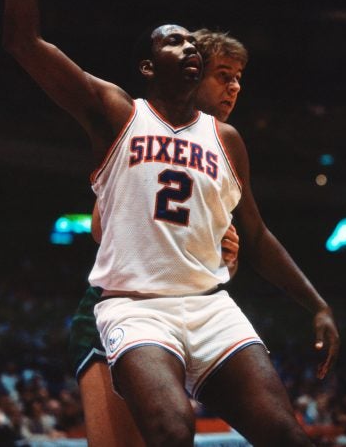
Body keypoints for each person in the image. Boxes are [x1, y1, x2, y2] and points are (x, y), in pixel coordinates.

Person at [0, 0, 339, 445]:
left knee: (286, 432)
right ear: (148, 66)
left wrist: (318, 304)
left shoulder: (225, 140)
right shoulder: (118, 112)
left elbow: (255, 235)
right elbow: (22, 42)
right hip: (133, 308)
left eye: (194, 43)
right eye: (174, 40)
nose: (191, 48)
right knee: (170, 427)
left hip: (209, 305)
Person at [68, 29, 248, 447]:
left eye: (238, 78)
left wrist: (223, 260)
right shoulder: (140, 125)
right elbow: (100, 228)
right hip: (121, 310)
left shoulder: (220, 146)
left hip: (189, 316)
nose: (233, 87)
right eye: (222, 75)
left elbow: (213, 264)